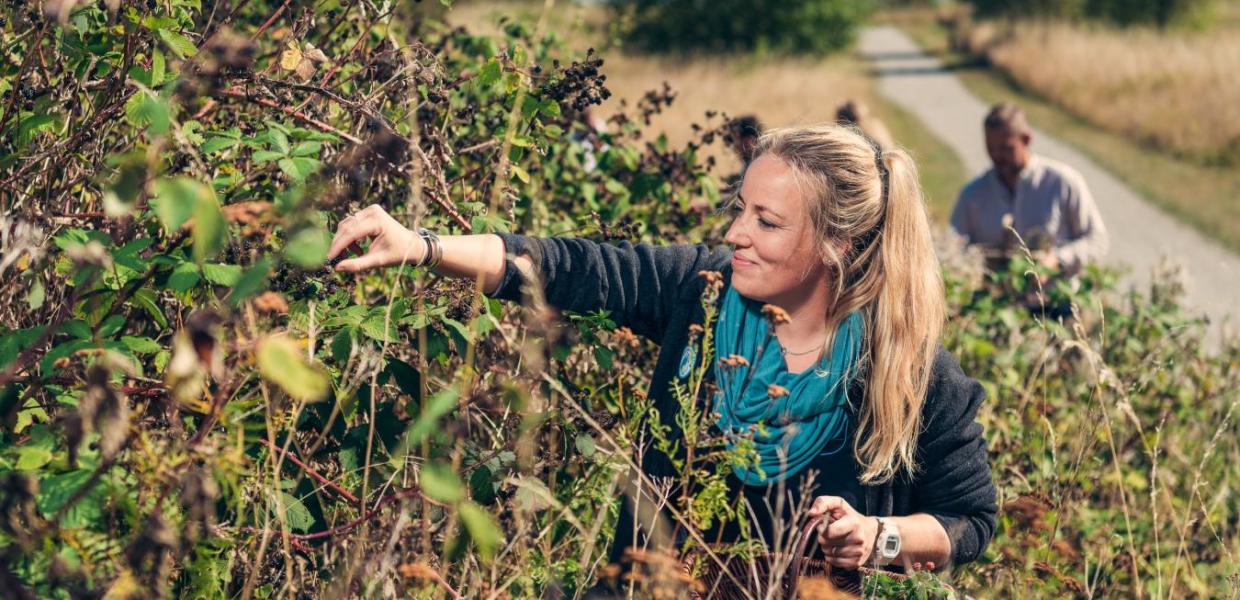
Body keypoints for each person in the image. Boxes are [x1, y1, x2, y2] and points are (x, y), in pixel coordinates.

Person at [327, 124, 997, 580]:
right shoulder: (701, 293)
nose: (736, 233)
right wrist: (423, 247)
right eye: (742, 209)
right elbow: (567, 268)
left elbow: (972, 520)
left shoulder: (909, 373)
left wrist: (881, 536)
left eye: (767, 222)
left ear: (837, 245)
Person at [951, 102, 1108, 275]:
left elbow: (1097, 241)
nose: (997, 156)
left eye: (1006, 148)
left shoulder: (1063, 182)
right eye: (991, 149)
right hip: (993, 297)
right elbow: (953, 247)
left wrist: (1057, 259)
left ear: (1026, 139)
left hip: (1057, 296)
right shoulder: (973, 195)